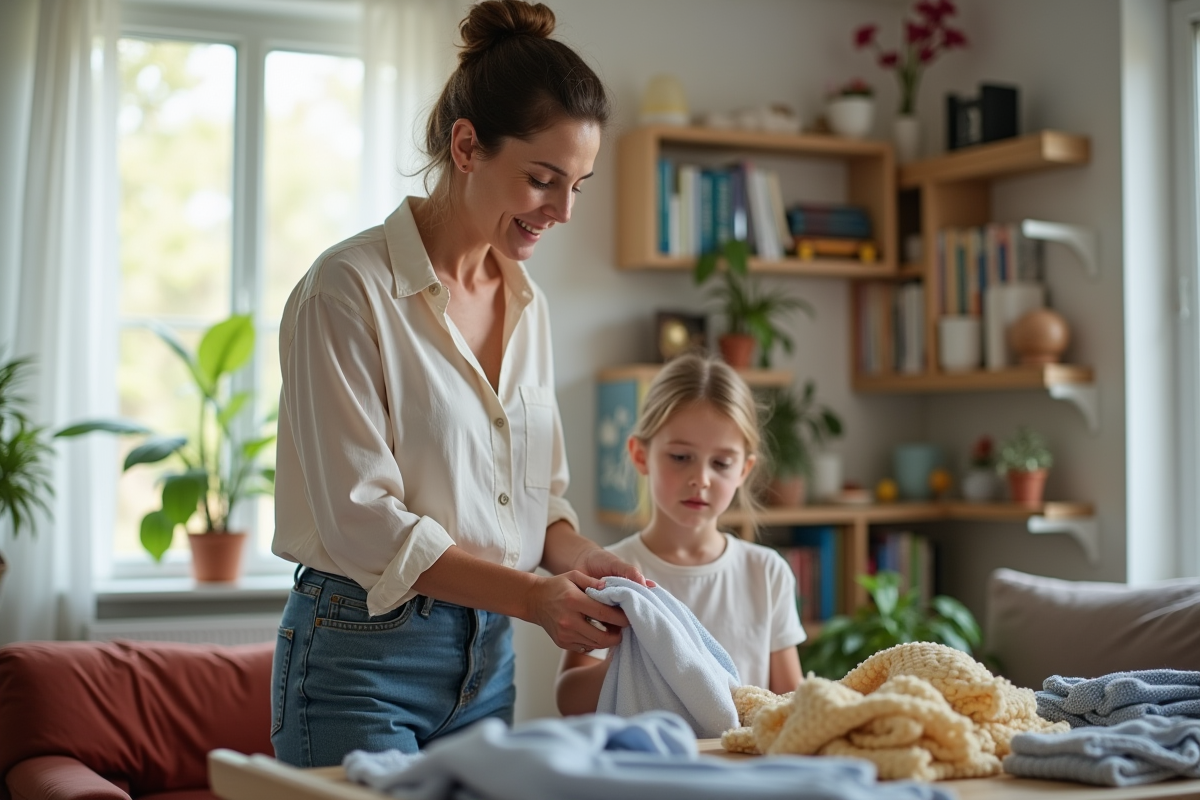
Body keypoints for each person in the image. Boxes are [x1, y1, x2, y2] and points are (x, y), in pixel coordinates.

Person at [269, 0, 649, 766]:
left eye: (578, 185)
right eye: (542, 180)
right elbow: (362, 521)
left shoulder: (529, 305)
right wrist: (533, 597)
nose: (563, 211)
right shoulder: (347, 291)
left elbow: (536, 502)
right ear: (467, 146)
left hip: (489, 660)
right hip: (361, 658)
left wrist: (580, 557)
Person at [555, 354, 806, 716]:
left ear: (744, 470)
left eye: (721, 463)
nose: (701, 479)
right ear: (641, 455)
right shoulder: (610, 572)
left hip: (736, 753)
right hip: (645, 750)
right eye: (680, 457)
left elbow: (790, 703)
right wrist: (644, 659)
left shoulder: (766, 572)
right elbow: (569, 700)